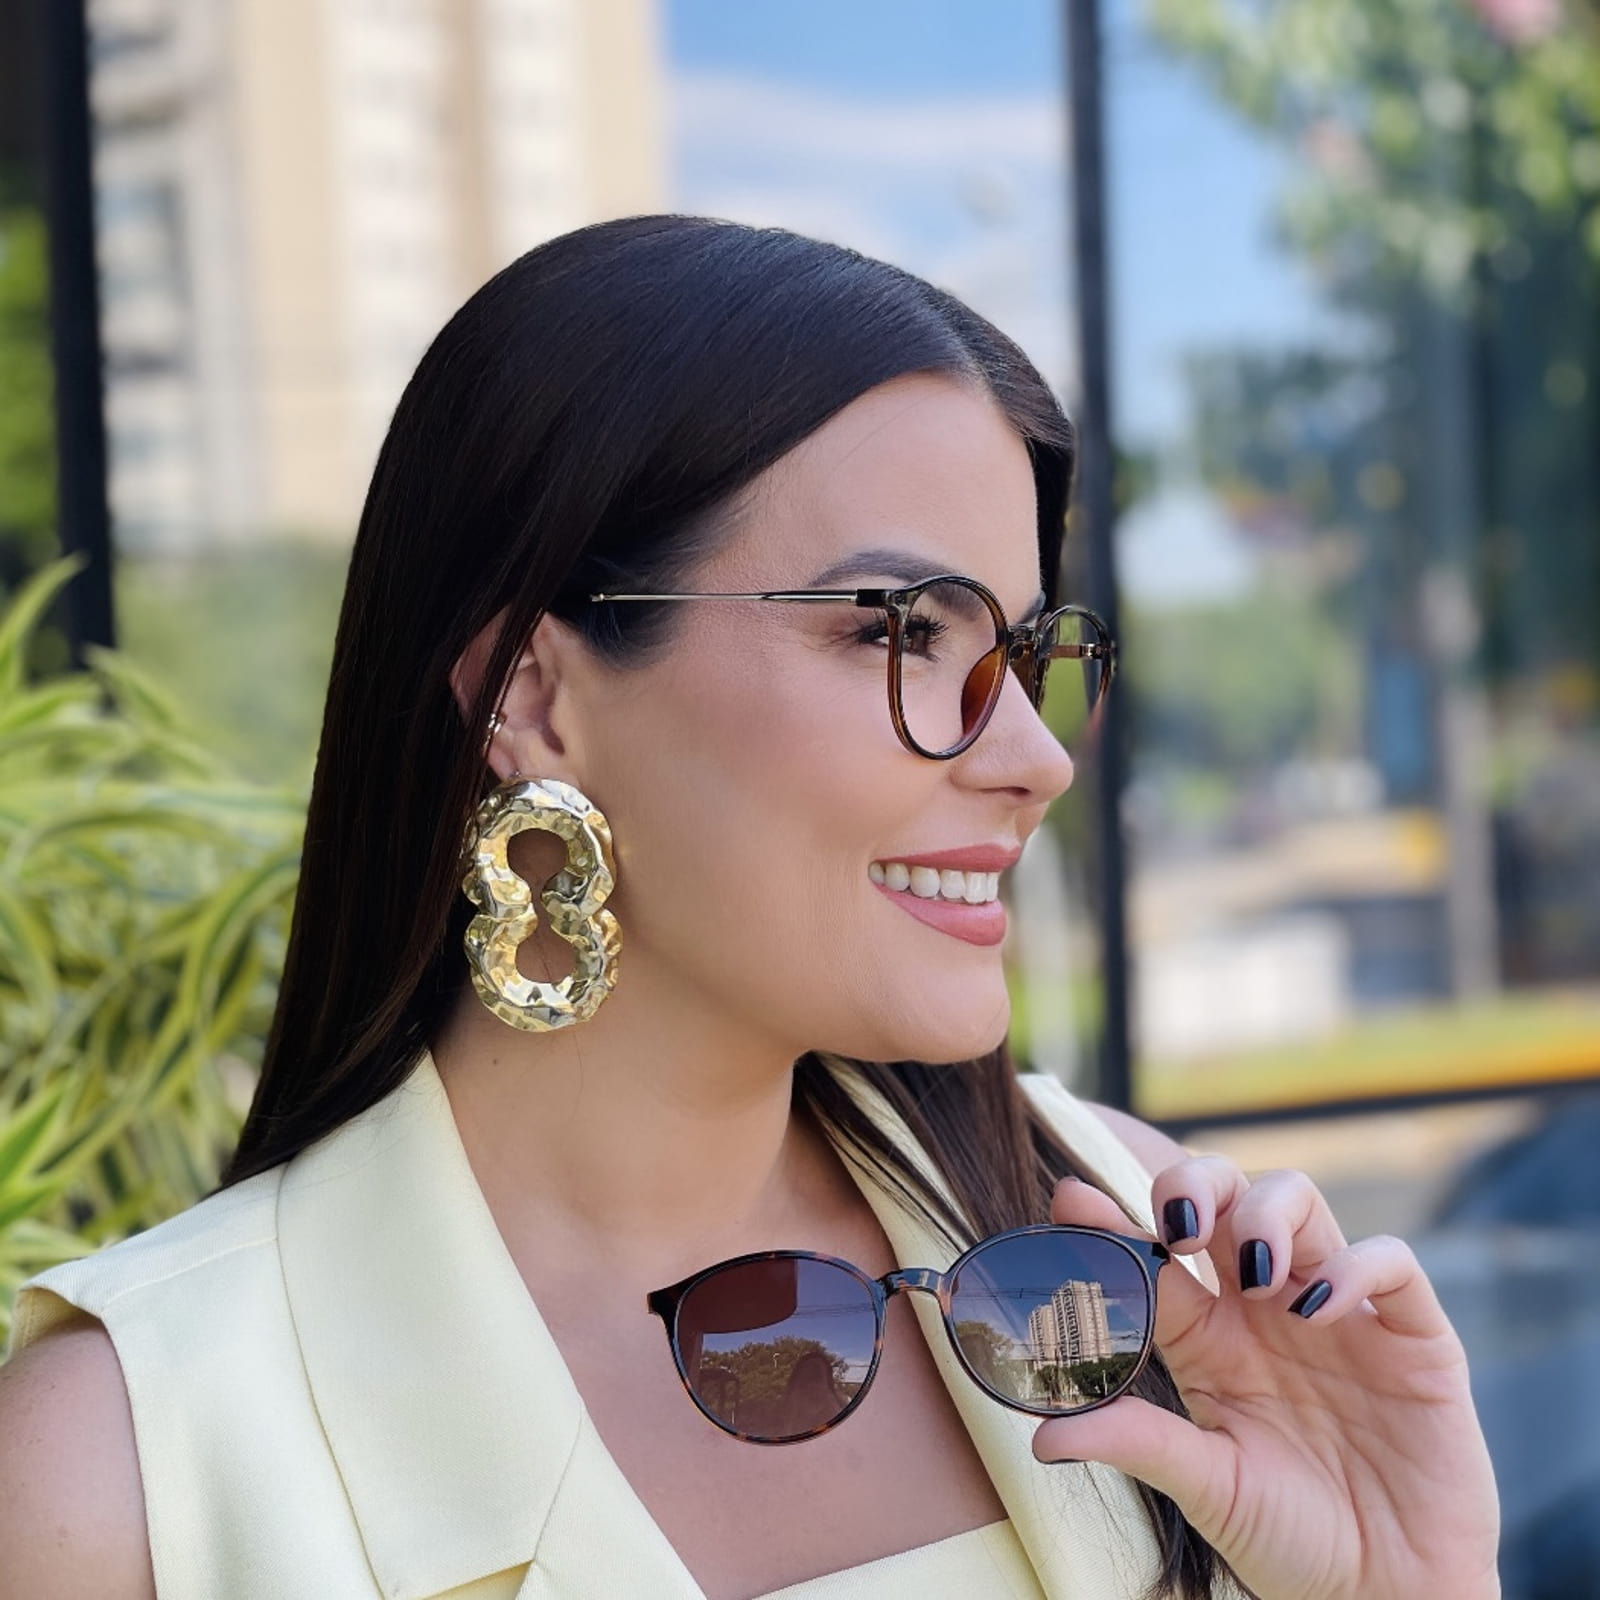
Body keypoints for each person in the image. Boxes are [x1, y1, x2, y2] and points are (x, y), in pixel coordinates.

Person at [0, 215, 1499, 1600]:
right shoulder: (124, 1466)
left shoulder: (1126, 1244)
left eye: (1027, 654)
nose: (1036, 760)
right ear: (536, 695)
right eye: (903, 633)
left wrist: (1402, 1584)